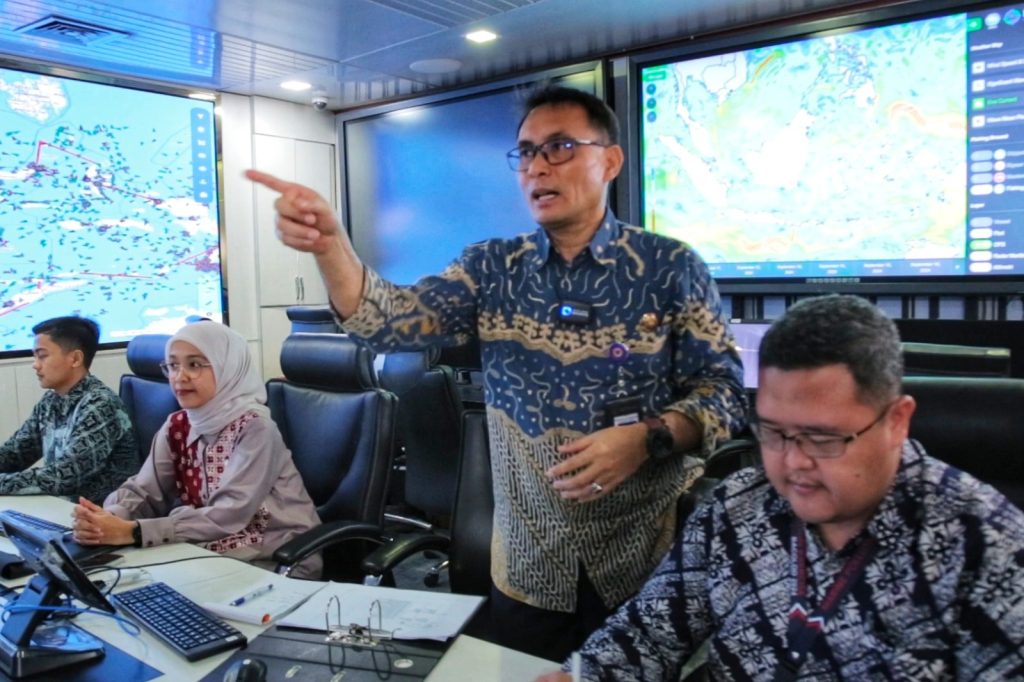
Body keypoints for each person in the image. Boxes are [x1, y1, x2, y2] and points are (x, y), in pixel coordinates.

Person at [247, 85, 746, 659]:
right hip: (532, 567)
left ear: (609, 161)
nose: (538, 166)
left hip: (643, 563)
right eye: (526, 152)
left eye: (559, 147)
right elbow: (386, 323)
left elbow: (725, 394)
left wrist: (646, 438)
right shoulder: (492, 268)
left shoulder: (669, 267)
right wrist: (331, 245)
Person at [539, 294, 1024, 681]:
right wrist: (585, 676)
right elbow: (649, 634)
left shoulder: (986, 548)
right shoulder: (738, 505)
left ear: (897, 421)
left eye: (823, 438)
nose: (793, 464)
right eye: (773, 432)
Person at [71, 321, 322, 579]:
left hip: (275, 554)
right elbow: (145, 491)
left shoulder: (255, 429)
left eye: (194, 365)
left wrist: (134, 531)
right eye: (173, 365)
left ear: (227, 367)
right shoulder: (178, 424)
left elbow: (229, 514)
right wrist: (107, 519)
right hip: (210, 547)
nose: (179, 377)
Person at [0, 316, 137, 503]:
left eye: (42, 356)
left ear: (75, 359)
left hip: (99, 513)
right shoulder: (50, 401)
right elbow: (15, 453)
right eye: (35, 356)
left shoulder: (100, 404)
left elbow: (63, 478)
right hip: (62, 507)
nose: (35, 364)